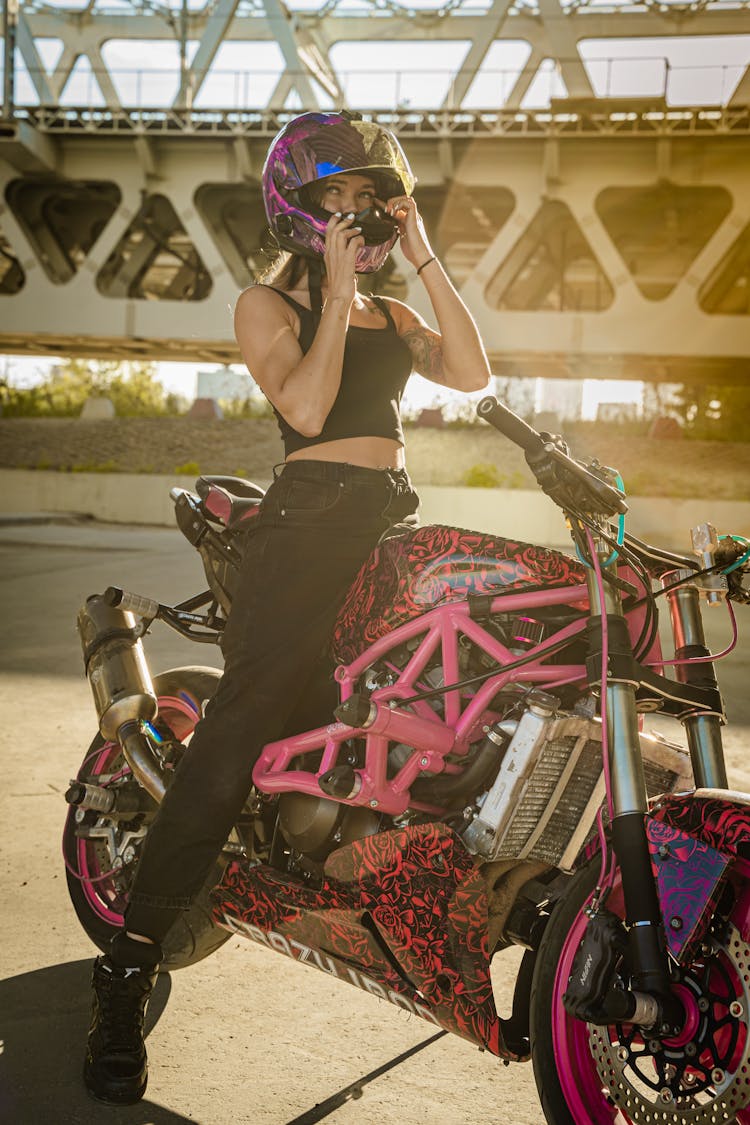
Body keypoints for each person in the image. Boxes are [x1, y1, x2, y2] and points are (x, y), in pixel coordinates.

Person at [83, 109, 491, 1105]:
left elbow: (475, 374)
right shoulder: (265, 304)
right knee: (242, 724)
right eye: (345, 197)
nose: (364, 214)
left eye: (375, 198)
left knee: (436, 692)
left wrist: (426, 255)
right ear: (301, 207)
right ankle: (127, 965)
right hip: (303, 528)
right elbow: (306, 412)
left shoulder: (395, 317)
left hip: (386, 526)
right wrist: (340, 291)